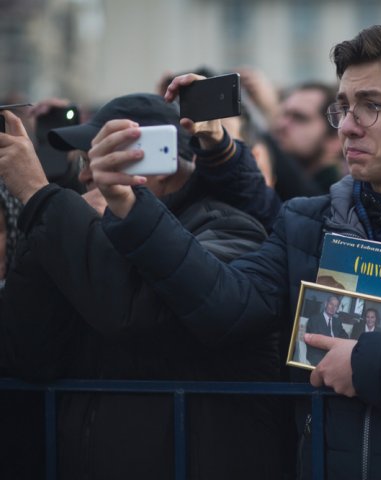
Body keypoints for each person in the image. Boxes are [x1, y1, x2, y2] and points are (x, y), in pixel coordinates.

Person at [86, 24, 381, 479]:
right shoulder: (307, 221)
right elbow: (226, 304)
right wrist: (132, 206)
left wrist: (370, 365)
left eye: (371, 106)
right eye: (343, 108)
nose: (349, 127)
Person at [0, 93, 285, 480]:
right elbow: (28, 352)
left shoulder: (231, 229)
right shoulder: (78, 228)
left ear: (163, 161)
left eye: (102, 159)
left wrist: (40, 198)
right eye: (84, 161)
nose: (85, 175)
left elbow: (135, 313)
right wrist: (47, 233)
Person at [304, 294, 347, 365]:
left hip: (334, 353)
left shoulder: (337, 322)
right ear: (326, 304)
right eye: (331, 304)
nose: (333, 308)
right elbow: (317, 340)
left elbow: (345, 336)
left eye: (336, 306)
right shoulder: (314, 319)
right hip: (318, 354)